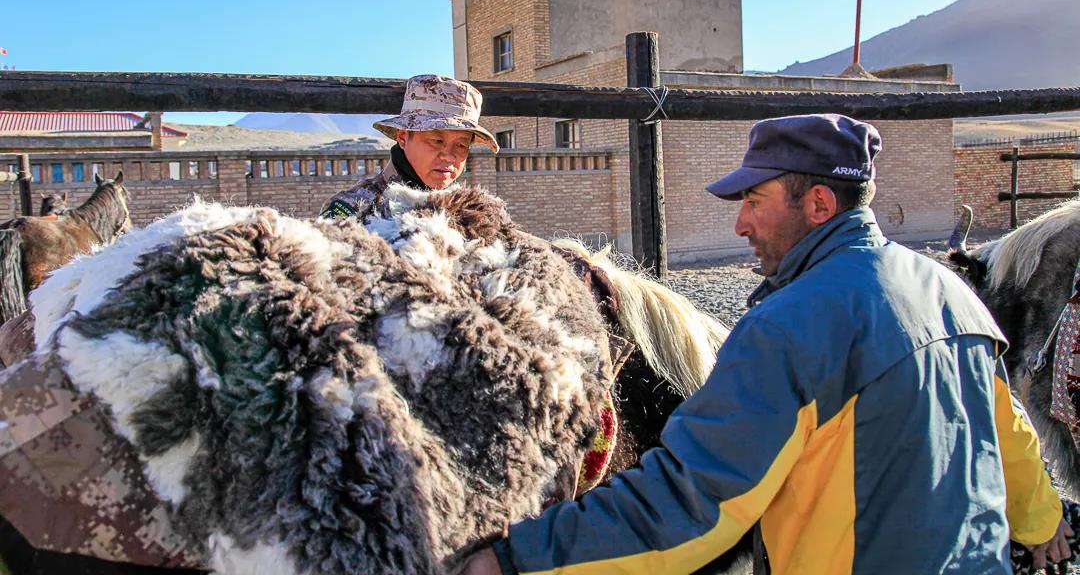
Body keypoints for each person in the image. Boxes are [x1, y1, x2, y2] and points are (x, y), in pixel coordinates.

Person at [462, 113, 1071, 574]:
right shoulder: (946, 288)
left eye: (755, 200)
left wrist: (516, 559)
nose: (740, 222)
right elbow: (1007, 431)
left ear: (819, 203)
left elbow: (695, 500)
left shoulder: (791, 325)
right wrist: (1043, 522)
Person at [320, 73, 498, 220]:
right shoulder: (352, 210)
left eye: (461, 145)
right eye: (437, 141)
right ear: (403, 137)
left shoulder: (471, 213)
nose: (449, 156)